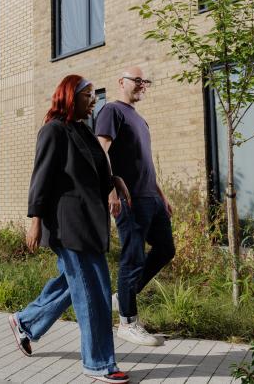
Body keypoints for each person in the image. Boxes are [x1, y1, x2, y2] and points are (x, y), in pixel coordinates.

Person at [8, 75, 129, 384]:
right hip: (68, 225)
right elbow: (42, 178)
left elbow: (98, 176)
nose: (93, 99)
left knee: (73, 285)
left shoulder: (84, 133)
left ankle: (26, 321)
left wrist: (115, 181)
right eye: (87, 94)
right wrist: (34, 220)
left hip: (89, 224)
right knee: (95, 294)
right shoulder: (53, 131)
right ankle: (98, 363)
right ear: (69, 97)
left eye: (93, 95)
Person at [95, 66, 175, 347]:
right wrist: (111, 189)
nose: (143, 85)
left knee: (166, 249)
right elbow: (100, 151)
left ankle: (122, 297)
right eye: (137, 80)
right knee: (133, 257)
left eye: (146, 81)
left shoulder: (140, 120)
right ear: (121, 82)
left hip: (150, 197)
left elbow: (145, 163)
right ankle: (127, 323)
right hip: (129, 198)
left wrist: (161, 194)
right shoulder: (112, 111)